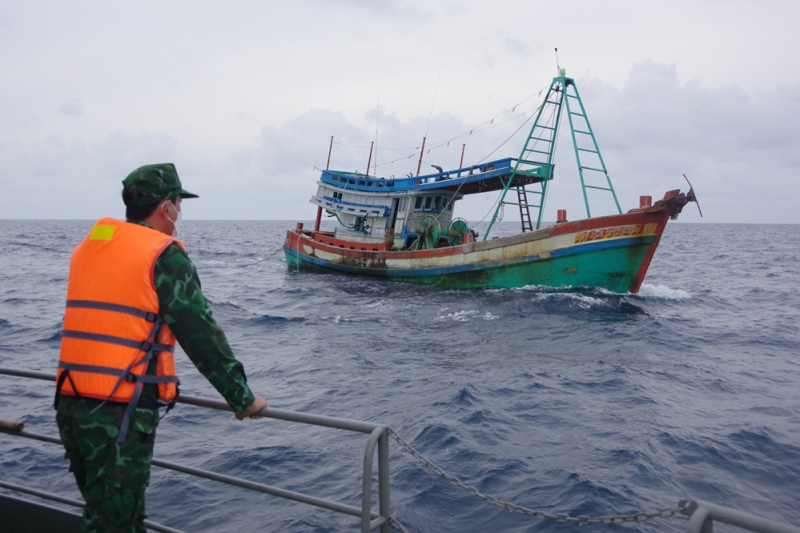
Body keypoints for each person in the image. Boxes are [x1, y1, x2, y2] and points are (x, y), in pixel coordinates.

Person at [55, 163, 267, 533]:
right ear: (166, 206)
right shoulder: (162, 255)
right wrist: (241, 398)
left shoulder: (91, 246)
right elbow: (200, 334)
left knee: (105, 513)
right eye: (178, 204)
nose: (180, 212)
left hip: (72, 403)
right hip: (119, 414)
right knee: (116, 523)